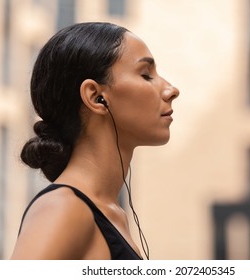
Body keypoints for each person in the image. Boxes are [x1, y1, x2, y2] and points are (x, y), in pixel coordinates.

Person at [10, 22, 179, 260]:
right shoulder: (64, 208)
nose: (171, 90)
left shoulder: (111, 214)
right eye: (145, 75)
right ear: (96, 97)